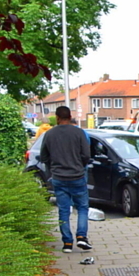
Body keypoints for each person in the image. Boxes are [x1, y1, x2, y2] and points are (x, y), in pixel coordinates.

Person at [39, 106, 92, 253]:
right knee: (82, 208)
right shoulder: (79, 133)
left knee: (63, 210)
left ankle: (67, 244)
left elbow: (44, 157)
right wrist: (79, 165)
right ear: (70, 116)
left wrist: (53, 168)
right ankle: (81, 236)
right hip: (77, 177)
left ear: (57, 117)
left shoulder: (49, 134)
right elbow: (87, 155)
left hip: (58, 178)